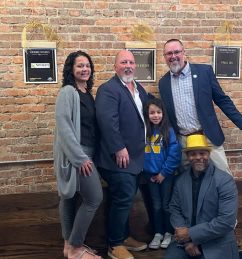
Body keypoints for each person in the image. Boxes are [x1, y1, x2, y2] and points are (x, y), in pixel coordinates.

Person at [159, 38, 242, 174]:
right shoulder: (163, 83)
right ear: (164, 57)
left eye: (177, 52)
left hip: (208, 137)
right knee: (188, 180)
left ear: (184, 52)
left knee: (223, 177)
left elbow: (222, 100)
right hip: (184, 142)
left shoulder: (204, 72)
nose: (173, 56)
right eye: (169, 53)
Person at [95, 50, 148, 259]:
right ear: (115, 66)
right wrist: (118, 147)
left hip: (136, 157)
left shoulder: (138, 88)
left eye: (131, 62)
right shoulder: (108, 89)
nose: (128, 65)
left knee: (124, 198)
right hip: (117, 157)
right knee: (124, 197)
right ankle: (114, 245)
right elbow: (107, 121)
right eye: (123, 62)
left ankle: (124, 237)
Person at [53, 51, 103, 259]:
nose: (84, 69)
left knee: (70, 199)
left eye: (87, 66)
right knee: (94, 198)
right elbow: (64, 128)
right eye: (79, 66)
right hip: (78, 155)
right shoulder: (68, 92)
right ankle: (75, 247)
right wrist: (80, 158)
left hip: (88, 152)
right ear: (71, 70)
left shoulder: (87, 92)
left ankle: (69, 247)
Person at [164, 134, 239, 259]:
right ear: (188, 157)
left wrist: (191, 234)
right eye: (193, 154)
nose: (198, 158)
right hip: (184, 242)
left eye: (202, 153)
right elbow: (174, 209)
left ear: (208, 155)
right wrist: (186, 239)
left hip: (216, 242)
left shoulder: (225, 180)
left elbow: (226, 221)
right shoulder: (180, 181)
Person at [142, 98, 181, 250]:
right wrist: (148, 172)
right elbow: (142, 155)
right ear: (147, 114)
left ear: (163, 114)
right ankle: (158, 233)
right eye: (152, 113)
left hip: (165, 176)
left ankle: (168, 233)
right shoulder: (144, 131)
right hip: (150, 176)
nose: (156, 116)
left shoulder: (169, 131)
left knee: (165, 205)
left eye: (159, 112)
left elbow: (174, 154)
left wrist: (163, 173)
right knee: (156, 205)